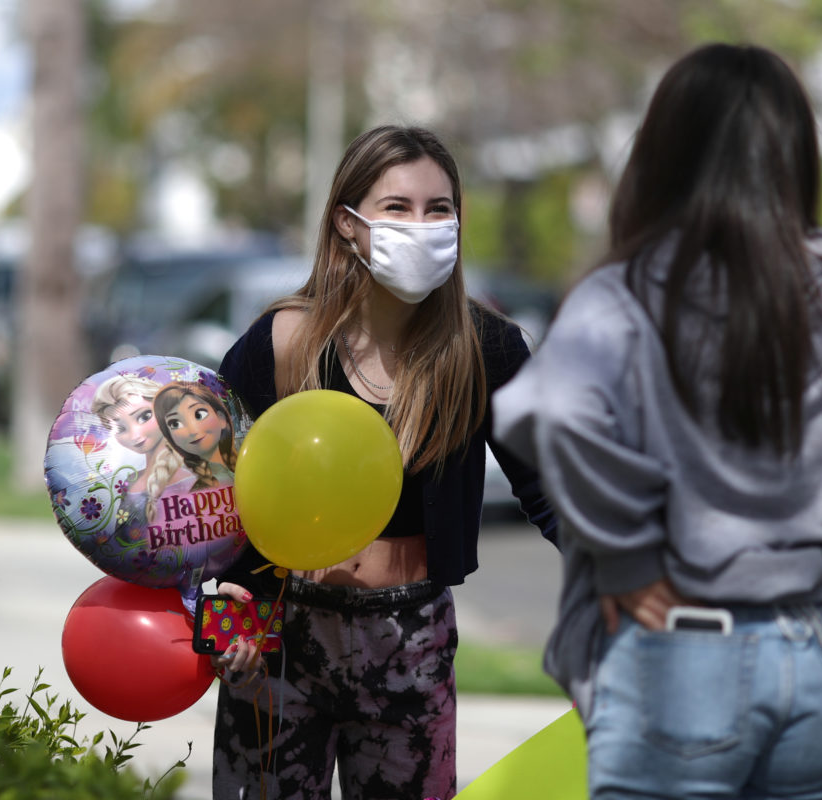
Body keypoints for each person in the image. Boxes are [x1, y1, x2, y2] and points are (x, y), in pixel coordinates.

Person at [492, 43, 822, 800]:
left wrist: (629, 558)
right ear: (795, 159)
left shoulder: (628, 295)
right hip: (818, 653)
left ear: (662, 152)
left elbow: (548, 409)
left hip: (673, 659)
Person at [210, 124, 557, 800]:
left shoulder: (486, 349)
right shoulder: (283, 341)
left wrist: (631, 584)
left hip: (411, 641)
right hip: (283, 638)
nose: (422, 225)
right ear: (348, 222)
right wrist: (229, 622)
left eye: (440, 208)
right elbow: (213, 501)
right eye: (397, 207)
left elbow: (552, 490)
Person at [90, 374, 190, 526]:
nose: (135, 435)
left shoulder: (194, 474)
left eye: (144, 416)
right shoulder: (131, 481)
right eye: (120, 428)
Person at [154, 381, 239, 491]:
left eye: (199, 414)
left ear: (221, 418)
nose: (193, 430)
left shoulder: (248, 458)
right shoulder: (196, 491)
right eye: (175, 424)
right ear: (170, 437)